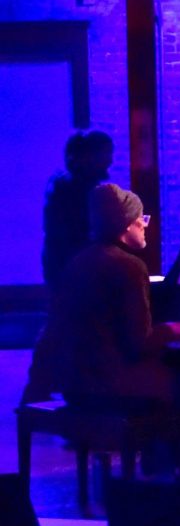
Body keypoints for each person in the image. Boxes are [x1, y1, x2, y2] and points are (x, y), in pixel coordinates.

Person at [57, 183, 180, 472]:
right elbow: (138, 344)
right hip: (107, 384)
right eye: (142, 219)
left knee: (169, 381)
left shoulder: (80, 260)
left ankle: (157, 474)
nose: (145, 226)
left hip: (75, 383)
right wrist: (172, 329)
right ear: (127, 224)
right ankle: (178, 481)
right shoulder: (129, 266)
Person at [21, 129, 114, 404]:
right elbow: (79, 233)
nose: (109, 160)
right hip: (73, 268)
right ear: (87, 156)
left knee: (60, 326)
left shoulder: (66, 185)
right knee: (62, 326)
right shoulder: (77, 190)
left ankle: (43, 388)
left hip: (65, 266)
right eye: (104, 154)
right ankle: (49, 389)